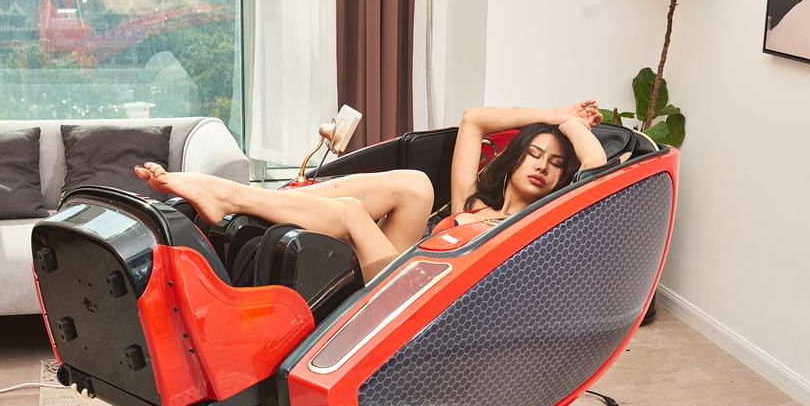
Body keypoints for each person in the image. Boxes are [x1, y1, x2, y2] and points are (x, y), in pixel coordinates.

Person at [134, 100, 606, 283]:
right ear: (515, 156)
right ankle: (244, 201)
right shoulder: (473, 201)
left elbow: (597, 168)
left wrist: (571, 127)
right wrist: (552, 113)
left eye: (555, 164)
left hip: (425, 299)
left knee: (352, 213)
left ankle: (230, 196)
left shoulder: (536, 225)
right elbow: (474, 120)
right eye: (535, 153)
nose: (542, 166)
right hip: (399, 269)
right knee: (416, 184)